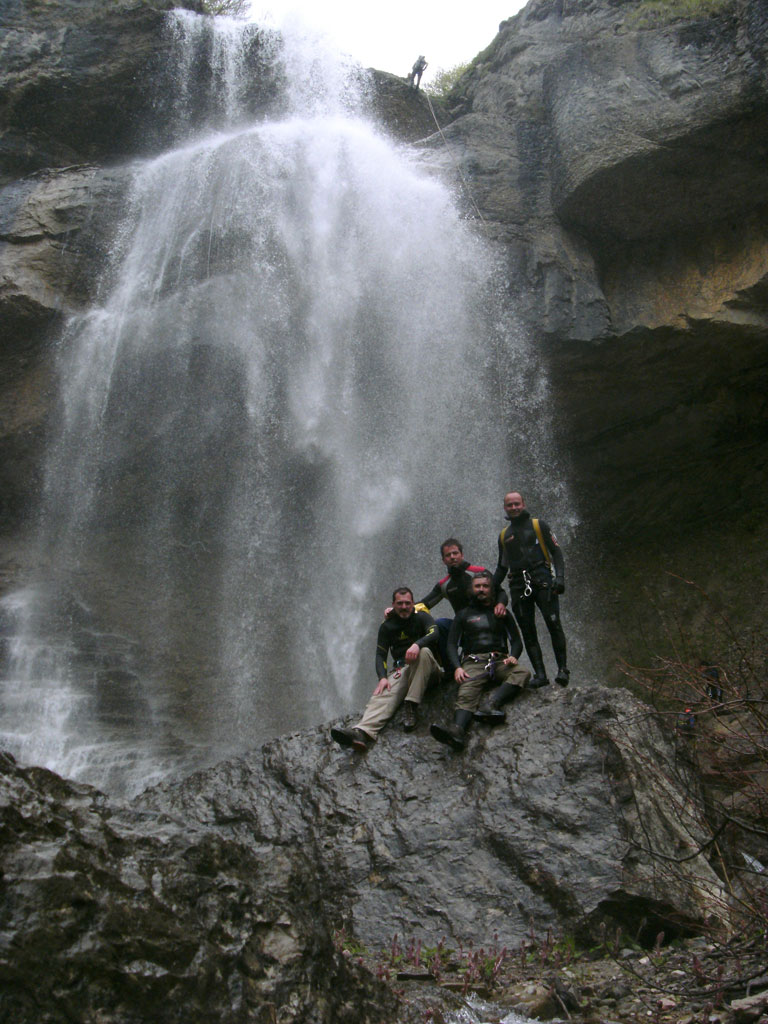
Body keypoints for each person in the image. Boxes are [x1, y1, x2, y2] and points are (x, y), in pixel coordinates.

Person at [431, 572, 530, 751]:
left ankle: (491, 704)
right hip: (473, 662)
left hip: (500, 660)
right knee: (467, 690)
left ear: (491, 589)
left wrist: (514, 655)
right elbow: (451, 645)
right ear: (471, 589)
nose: (481, 590)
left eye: (485, 586)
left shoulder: (502, 613)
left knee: (523, 672)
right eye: (478, 586)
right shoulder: (463, 615)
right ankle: (457, 732)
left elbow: (516, 641)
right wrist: (457, 668)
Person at [331, 587, 440, 751]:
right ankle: (362, 732)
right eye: (400, 603)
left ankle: (411, 705)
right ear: (393, 604)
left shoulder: (422, 617)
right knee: (384, 691)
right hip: (404, 670)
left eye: (407, 603)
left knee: (423, 653)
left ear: (413, 603)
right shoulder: (388, 626)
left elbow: (434, 632)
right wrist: (382, 677)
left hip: (431, 671)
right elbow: (380, 655)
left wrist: (418, 645)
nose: (404, 607)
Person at [492, 491, 569, 688]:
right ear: (505, 508)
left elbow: (556, 552)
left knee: (554, 624)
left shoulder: (538, 525)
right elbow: (502, 567)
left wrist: (559, 577)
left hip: (543, 580)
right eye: (510, 505)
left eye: (517, 504)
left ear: (523, 504)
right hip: (518, 585)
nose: (514, 508)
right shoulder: (504, 535)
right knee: (527, 631)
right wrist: (489, 587)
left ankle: (562, 670)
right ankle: (540, 674)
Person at [399, 538, 507, 667]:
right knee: (438, 625)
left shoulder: (479, 573)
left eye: (455, 553)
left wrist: (501, 604)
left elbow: (501, 592)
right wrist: (395, 610)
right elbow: (423, 604)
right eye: (448, 555)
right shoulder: (444, 585)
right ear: (444, 560)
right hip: (464, 629)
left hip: (488, 624)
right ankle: (450, 670)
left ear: (462, 554)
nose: (452, 557)